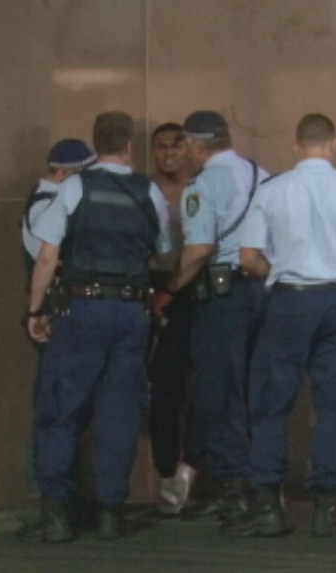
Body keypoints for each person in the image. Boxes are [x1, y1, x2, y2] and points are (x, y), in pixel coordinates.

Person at [223, 112, 336, 538]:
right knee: (334, 405)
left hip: (289, 301)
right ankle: (326, 508)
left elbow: (248, 257)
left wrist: (278, 270)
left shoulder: (273, 190)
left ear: (295, 146)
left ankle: (271, 509)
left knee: (271, 404)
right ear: (334, 144)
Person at [20, 111, 172, 543]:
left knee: (61, 411)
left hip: (81, 311)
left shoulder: (74, 186)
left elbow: (48, 256)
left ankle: (58, 516)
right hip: (131, 314)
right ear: (128, 146)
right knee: (118, 413)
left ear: (96, 144)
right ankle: (110, 514)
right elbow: (163, 253)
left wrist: (35, 312)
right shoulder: (150, 192)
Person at [152, 110, 269, 522]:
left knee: (218, 393)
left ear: (196, 145)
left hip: (222, 298)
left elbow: (199, 251)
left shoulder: (203, 186)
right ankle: (260, 484)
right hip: (261, 291)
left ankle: (231, 490)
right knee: (251, 390)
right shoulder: (261, 175)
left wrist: (170, 288)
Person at [146, 123, 200, 514]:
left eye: (175, 146)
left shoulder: (202, 188)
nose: (168, 154)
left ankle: (191, 465)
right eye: (161, 147)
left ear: (188, 149)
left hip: (196, 295)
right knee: (162, 386)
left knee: (201, 387)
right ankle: (167, 471)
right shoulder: (144, 190)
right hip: (152, 293)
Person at [21, 138, 96, 287]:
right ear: (63, 173)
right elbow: (47, 257)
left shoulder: (48, 197)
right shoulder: (45, 204)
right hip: (55, 291)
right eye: (85, 173)